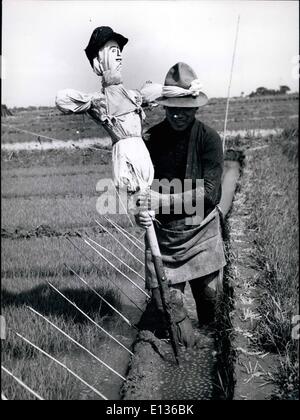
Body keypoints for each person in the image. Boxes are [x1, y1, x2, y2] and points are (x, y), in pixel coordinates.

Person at [136, 62, 226, 330]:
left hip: (201, 233)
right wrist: (139, 210)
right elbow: (139, 188)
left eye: (185, 110)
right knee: (168, 309)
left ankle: (210, 350)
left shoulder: (209, 139)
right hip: (164, 236)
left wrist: (161, 201)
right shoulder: (150, 140)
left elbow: (210, 194)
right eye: (173, 109)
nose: (178, 115)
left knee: (211, 301)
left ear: (196, 107)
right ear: (165, 106)